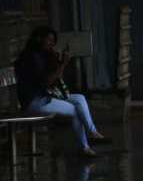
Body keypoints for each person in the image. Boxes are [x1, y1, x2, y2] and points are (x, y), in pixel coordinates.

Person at [14, 27, 109, 158]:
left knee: (79, 98)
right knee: (75, 110)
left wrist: (58, 61)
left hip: (44, 96)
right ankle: (85, 147)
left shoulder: (40, 55)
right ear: (38, 39)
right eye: (49, 40)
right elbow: (47, 81)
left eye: (53, 41)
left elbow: (56, 78)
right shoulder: (32, 57)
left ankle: (93, 132)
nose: (52, 44)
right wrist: (63, 63)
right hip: (35, 102)